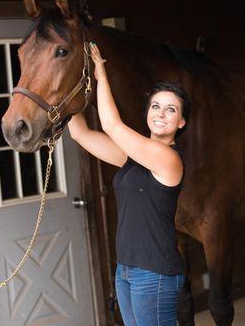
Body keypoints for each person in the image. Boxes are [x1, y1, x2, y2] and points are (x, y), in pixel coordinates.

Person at [68, 42, 191, 326]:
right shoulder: (133, 157)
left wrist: (101, 73)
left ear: (181, 122)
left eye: (171, 110)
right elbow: (81, 134)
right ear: (147, 111)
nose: (160, 114)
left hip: (156, 273)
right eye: (156, 106)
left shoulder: (168, 159)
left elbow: (111, 126)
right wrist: (68, 88)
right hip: (126, 269)